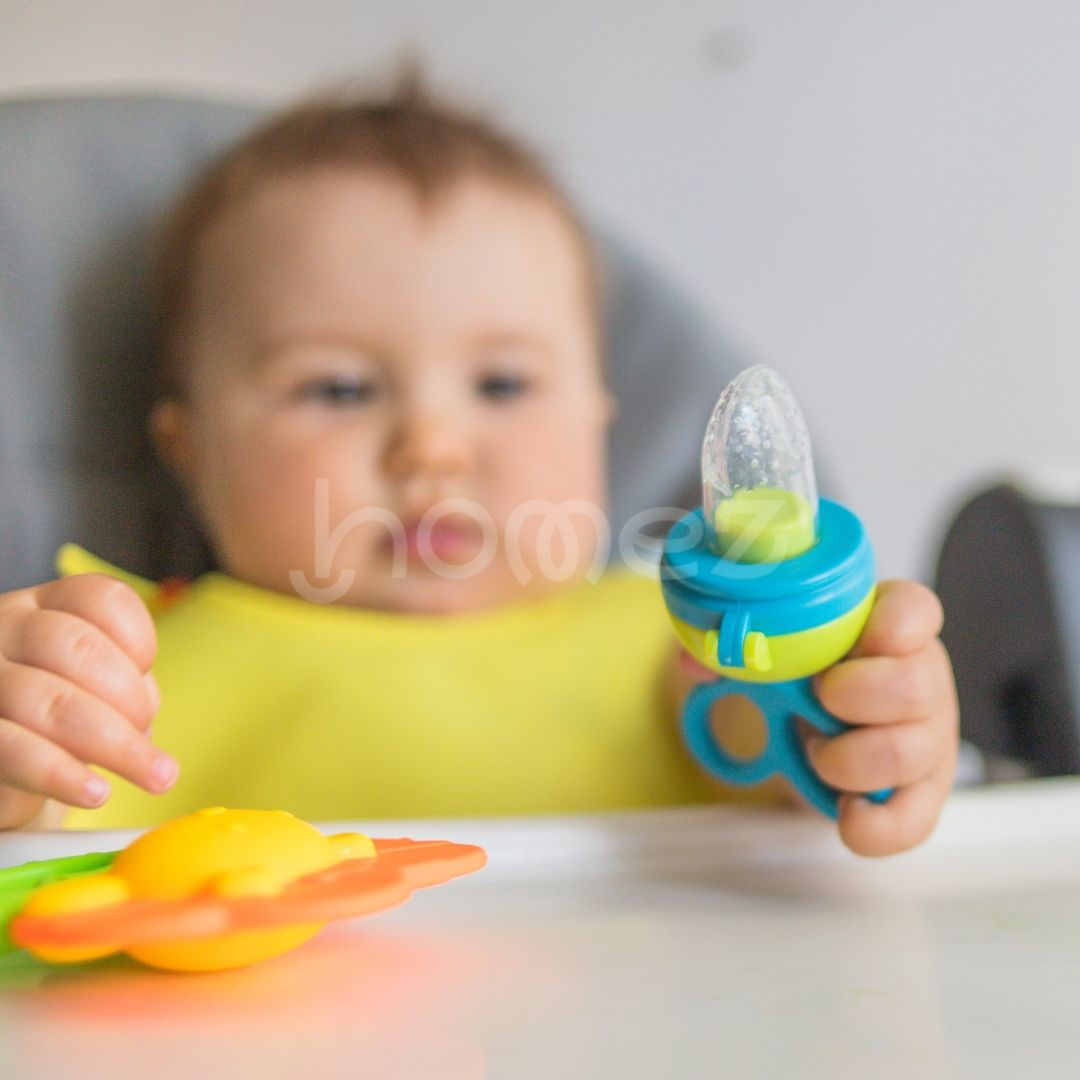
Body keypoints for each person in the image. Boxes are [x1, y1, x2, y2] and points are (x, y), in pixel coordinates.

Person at [0, 76, 958, 854]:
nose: (433, 448)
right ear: (192, 453)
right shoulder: (127, 662)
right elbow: (38, 828)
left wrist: (856, 719)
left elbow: (783, 771)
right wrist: (21, 736)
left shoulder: (682, 648)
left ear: (598, 424)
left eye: (501, 385)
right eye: (338, 388)